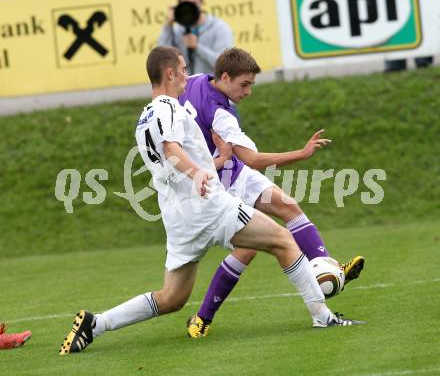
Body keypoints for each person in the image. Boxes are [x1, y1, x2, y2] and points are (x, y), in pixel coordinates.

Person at [58, 46, 363, 355]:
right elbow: (172, 149)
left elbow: (170, 160)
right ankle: (324, 318)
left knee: (172, 298)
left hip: (178, 217)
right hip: (208, 206)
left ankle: (96, 324)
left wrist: (213, 166)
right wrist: (199, 174)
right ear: (170, 73)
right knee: (283, 240)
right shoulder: (169, 107)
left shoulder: (144, 118)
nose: (187, 75)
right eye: (183, 68)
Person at [178, 48, 365, 338]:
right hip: (220, 186)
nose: (249, 91)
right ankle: (202, 318)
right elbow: (253, 158)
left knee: (286, 205)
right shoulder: (221, 114)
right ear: (225, 76)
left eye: (251, 84)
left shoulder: (195, 80)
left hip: (234, 171)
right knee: (248, 248)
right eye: (245, 84)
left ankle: (325, 265)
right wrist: (301, 154)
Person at [158, 0, 233, 75]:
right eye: (186, 3)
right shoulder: (176, 29)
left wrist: (197, 47)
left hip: (211, 86)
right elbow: (161, 58)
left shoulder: (219, 28)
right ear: (179, 5)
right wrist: (168, 24)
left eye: (193, 3)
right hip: (185, 87)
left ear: (202, 2)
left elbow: (225, 65)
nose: (190, 7)